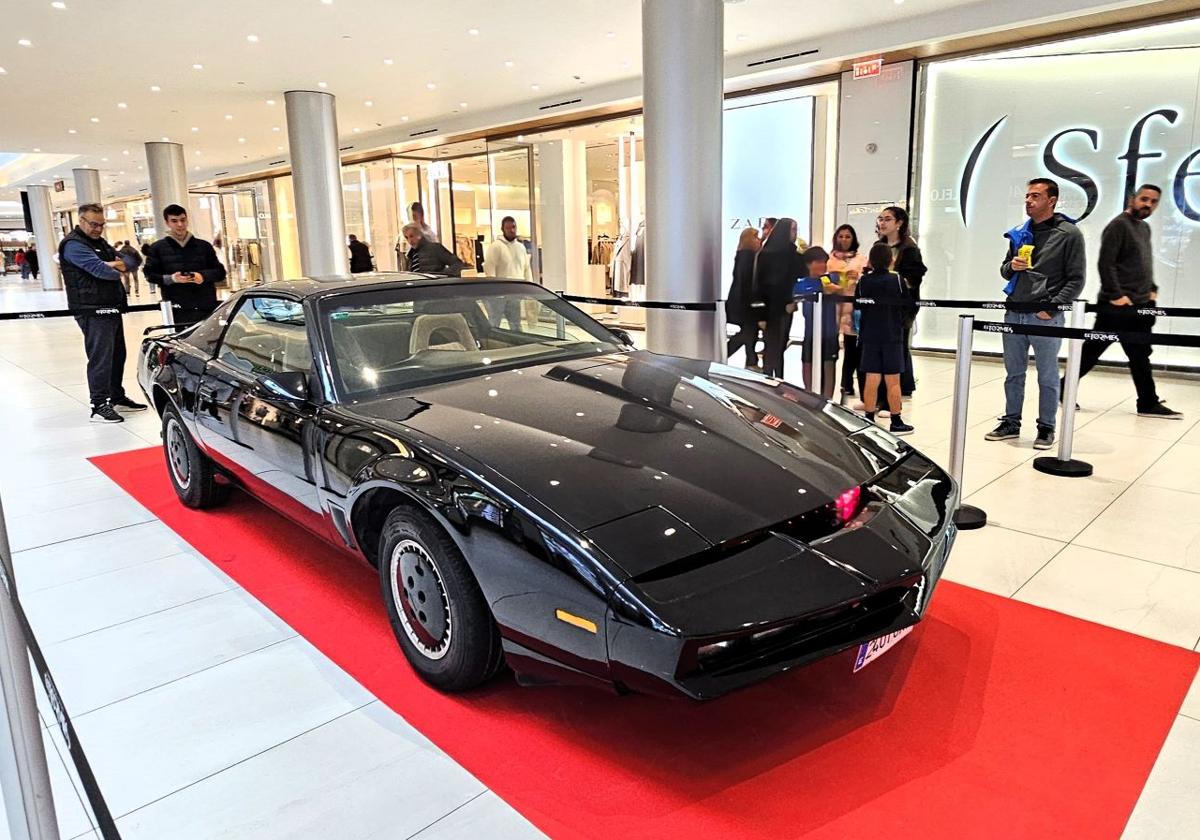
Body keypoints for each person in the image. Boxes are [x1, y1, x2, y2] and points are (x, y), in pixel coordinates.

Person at [986, 177, 1085, 450]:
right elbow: (1005, 269)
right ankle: (1011, 422)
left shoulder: (1069, 234)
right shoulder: (1021, 232)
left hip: (1045, 316)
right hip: (1014, 312)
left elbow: (1076, 279)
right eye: (1027, 196)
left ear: (1052, 200)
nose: (1029, 201)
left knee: (1048, 375)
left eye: (1035, 196)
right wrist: (1012, 267)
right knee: (1013, 373)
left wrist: (1051, 307)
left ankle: (1046, 427)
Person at [1070, 185, 1182, 419]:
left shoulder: (1144, 228)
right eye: (1144, 199)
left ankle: (1148, 402)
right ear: (1133, 199)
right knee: (1094, 352)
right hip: (1117, 306)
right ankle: (1064, 388)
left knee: (1139, 355)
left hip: (1140, 306)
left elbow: (1143, 263)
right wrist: (1116, 295)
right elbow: (1106, 263)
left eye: (1153, 201)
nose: (1148, 204)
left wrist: (1152, 290)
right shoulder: (1118, 225)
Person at [60, 204, 147, 423]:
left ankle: (116, 396)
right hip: (91, 308)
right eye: (93, 224)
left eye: (101, 224)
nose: (98, 228)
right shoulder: (73, 245)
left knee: (118, 353)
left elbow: (132, 262)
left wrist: (113, 264)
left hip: (111, 305)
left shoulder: (99, 243)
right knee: (101, 357)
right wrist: (113, 266)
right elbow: (102, 272)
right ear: (81, 220)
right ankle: (99, 404)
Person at [857, 242, 914, 435]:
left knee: (872, 378)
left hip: (870, 335)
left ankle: (869, 418)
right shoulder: (897, 280)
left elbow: (859, 305)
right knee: (893, 380)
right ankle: (896, 420)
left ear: (871, 260)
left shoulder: (864, 281)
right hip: (892, 335)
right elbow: (908, 303)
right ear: (891, 259)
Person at [144, 203, 226, 327]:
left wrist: (202, 276)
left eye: (183, 220)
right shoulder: (157, 248)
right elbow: (150, 275)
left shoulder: (204, 246)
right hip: (177, 308)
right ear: (167, 223)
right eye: (174, 221)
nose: (180, 225)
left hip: (205, 305)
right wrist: (172, 279)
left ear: (187, 220)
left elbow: (220, 272)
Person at [875, 206, 927, 397]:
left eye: (887, 219)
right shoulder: (878, 246)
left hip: (901, 306)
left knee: (897, 346)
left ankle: (900, 386)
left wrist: (891, 278)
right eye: (880, 219)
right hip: (880, 305)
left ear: (899, 223)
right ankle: (892, 385)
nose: (882, 222)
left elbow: (914, 278)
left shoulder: (909, 248)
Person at [754, 217, 806, 380]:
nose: (795, 233)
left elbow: (801, 274)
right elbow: (759, 285)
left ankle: (777, 381)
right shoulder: (767, 254)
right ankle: (770, 382)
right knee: (773, 349)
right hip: (773, 307)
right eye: (792, 229)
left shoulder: (792, 254)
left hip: (785, 306)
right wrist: (760, 314)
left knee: (779, 346)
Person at [798, 246, 843, 399]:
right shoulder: (802, 282)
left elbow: (837, 289)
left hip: (829, 332)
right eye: (818, 262)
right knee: (807, 362)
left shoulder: (831, 278)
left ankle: (828, 399)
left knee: (829, 364)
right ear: (809, 264)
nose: (822, 265)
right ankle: (809, 395)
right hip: (810, 332)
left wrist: (828, 284)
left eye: (824, 262)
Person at [829, 224, 867, 398]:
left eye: (848, 236)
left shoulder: (861, 258)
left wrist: (856, 278)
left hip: (854, 308)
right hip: (833, 307)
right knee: (832, 347)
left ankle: (848, 383)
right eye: (841, 236)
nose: (844, 240)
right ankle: (834, 384)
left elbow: (866, 278)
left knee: (853, 348)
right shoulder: (830, 259)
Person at [483, 215, 532, 327]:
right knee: (494, 323)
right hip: (499, 295)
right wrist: (494, 292)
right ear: (503, 229)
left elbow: (526, 269)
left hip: (515, 294)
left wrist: (528, 288)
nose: (511, 230)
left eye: (513, 227)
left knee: (516, 324)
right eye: (508, 228)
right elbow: (490, 270)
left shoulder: (521, 247)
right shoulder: (495, 247)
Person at [725, 227, 762, 369]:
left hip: (740, 301)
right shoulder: (748, 256)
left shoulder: (742, 255)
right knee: (748, 331)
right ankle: (750, 361)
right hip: (744, 302)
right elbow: (747, 282)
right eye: (756, 238)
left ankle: (751, 360)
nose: (759, 241)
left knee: (749, 331)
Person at [397, 201, 438, 268]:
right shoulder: (404, 234)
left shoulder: (429, 233)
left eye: (414, 216)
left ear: (421, 215)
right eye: (410, 217)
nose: (412, 220)